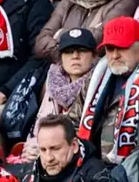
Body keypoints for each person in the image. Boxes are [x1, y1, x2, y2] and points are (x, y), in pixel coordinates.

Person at [8, 28, 98, 157]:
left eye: (82, 50)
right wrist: (33, 147)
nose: (75, 56)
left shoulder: (100, 83)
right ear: (61, 57)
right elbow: (40, 122)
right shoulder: (53, 81)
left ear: (94, 55)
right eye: (68, 52)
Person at [75, 16, 139, 164]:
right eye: (110, 49)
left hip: (131, 167)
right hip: (88, 163)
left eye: (122, 47)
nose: (115, 55)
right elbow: (73, 121)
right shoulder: (96, 76)